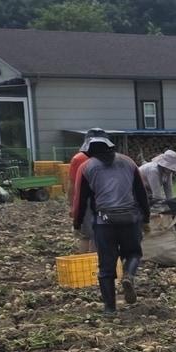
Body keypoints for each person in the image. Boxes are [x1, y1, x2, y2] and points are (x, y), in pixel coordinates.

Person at [71, 135, 150, 315]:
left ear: (89, 152)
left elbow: (80, 199)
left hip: (104, 222)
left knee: (106, 267)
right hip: (130, 219)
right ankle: (128, 275)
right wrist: (146, 218)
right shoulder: (129, 162)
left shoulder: (86, 167)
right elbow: (141, 193)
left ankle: (109, 308)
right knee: (133, 253)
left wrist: (77, 223)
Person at [68, 128, 110, 252]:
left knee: (85, 235)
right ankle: (97, 259)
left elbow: (72, 184)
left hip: (85, 200)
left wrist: (72, 206)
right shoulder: (111, 158)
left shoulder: (78, 158)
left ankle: (86, 260)